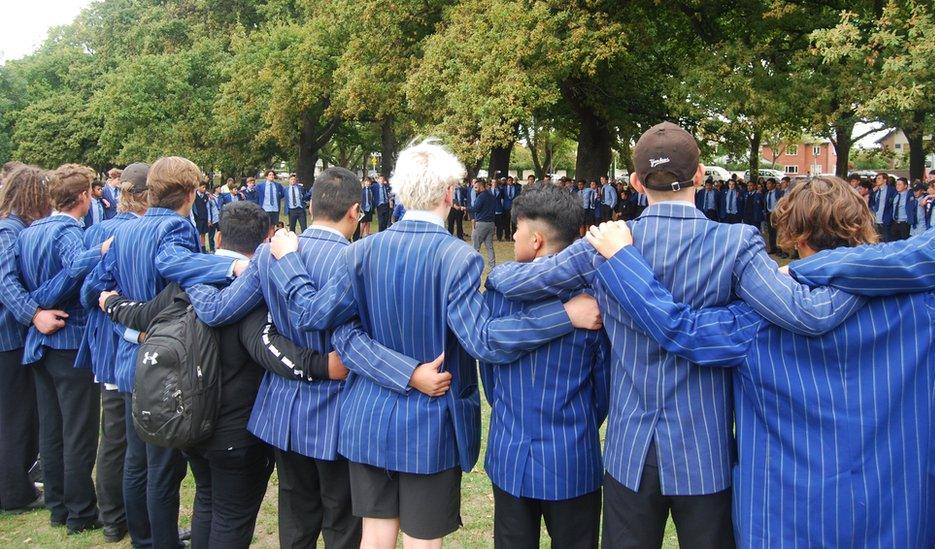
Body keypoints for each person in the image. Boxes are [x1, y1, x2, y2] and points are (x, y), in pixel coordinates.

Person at [485, 122, 862, 549]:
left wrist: (495, 274)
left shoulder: (607, 241)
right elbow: (802, 314)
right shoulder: (735, 242)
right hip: (704, 445)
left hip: (630, 446)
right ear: (700, 176)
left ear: (635, 182)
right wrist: (847, 265)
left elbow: (524, 281)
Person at [584, 176, 935, 547]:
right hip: (899, 516)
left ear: (795, 235)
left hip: (785, 519)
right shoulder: (931, 311)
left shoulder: (756, 320)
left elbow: (678, 327)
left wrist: (622, 259)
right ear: (861, 228)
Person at [267, 139, 601, 549]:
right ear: (448, 194)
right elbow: (484, 340)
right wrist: (564, 315)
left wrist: (288, 262)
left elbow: (315, 316)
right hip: (430, 421)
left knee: (375, 534)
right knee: (422, 540)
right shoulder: (457, 257)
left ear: (400, 193)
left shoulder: (363, 251)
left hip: (367, 417)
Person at [182, 167, 429, 549]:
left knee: (296, 518)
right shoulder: (357, 260)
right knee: (342, 521)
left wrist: (191, 282)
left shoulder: (269, 255)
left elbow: (219, 311)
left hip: (284, 410)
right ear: (355, 211)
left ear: (311, 205)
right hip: (339, 408)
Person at [100, 200, 331, 549]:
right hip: (235, 433)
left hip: (192, 421)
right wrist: (322, 365)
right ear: (267, 239)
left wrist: (111, 302)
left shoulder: (188, 281)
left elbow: (144, 314)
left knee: (206, 501)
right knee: (229, 518)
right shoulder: (253, 292)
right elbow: (268, 348)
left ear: (218, 236)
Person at [785, 191, 935, 548]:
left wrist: (785, 273)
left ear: (795, 235)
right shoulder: (931, 308)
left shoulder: (763, 308)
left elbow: (906, 259)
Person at [81, 156, 245, 549]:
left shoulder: (125, 232)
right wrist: (233, 267)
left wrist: (115, 309)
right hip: (161, 361)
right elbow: (171, 263)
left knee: (139, 461)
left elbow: (95, 288)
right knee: (163, 467)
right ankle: (161, 541)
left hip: (129, 358)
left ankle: (145, 538)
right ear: (189, 193)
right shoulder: (173, 226)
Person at [481, 184, 611, 549]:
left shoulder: (500, 291)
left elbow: (489, 372)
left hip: (511, 446)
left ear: (536, 239)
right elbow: (604, 385)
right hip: (571, 451)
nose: (515, 237)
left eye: (517, 230)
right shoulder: (593, 294)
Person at [18, 164, 112, 535]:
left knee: (52, 430)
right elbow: (76, 271)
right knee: (78, 433)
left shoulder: (29, 232)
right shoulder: (69, 231)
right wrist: (100, 251)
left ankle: (58, 505)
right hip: (68, 338)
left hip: (41, 341)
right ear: (84, 197)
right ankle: (79, 511)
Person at [75, 162, 150, 543]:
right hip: (127, 343)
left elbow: (87, 291)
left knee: (116, 435)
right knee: (133, 440)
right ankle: (127, 521)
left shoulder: (98, 229)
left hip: (109, 346)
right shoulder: (137, 231)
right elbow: (89, 292)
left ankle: (113, 518)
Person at [0, 166, 70, 515]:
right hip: (8, 337)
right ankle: (14, 493)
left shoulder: (16, 229)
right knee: (15, 418)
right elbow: (6, 283)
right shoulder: (9, 231)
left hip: (12, 337)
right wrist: (34, 314)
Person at [469, 178, 498, 270]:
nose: (475, 189)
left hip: (481, 224)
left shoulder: (481, 196)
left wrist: (463, 208)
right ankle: (492, 268)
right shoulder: (492, 196)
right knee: (489, 247)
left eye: (476, 187)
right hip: (491, 224)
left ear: (481, 187)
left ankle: (473, 268)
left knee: (475, 247)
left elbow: (475, 208)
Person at [870, 172, 894, 241]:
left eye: (879, 178)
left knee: (886, 240)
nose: (877, 180)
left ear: (885, 180)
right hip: (876, 220)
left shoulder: (891, 190)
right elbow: (871, 201)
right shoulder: (876, 191)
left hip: (885, 220)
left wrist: (889, 217)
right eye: (876, 178)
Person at [764, 178, 785, 255]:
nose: (767, 185)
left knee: (778, 232)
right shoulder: (767, 193)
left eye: (769, 184)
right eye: (767, 184)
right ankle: (772, 248)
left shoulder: (778, 193)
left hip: (776, 214)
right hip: (769, 214)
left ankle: (779, 249)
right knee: (771, 232)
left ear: (773, 184)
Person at [890, 177, 915, 241]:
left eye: (900, 184)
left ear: (905, 186)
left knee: (904, 242)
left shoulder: (910, 195)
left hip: (904, 223)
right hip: (895, 222)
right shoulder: (896, 194)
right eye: (897, 184)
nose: (897, 186)